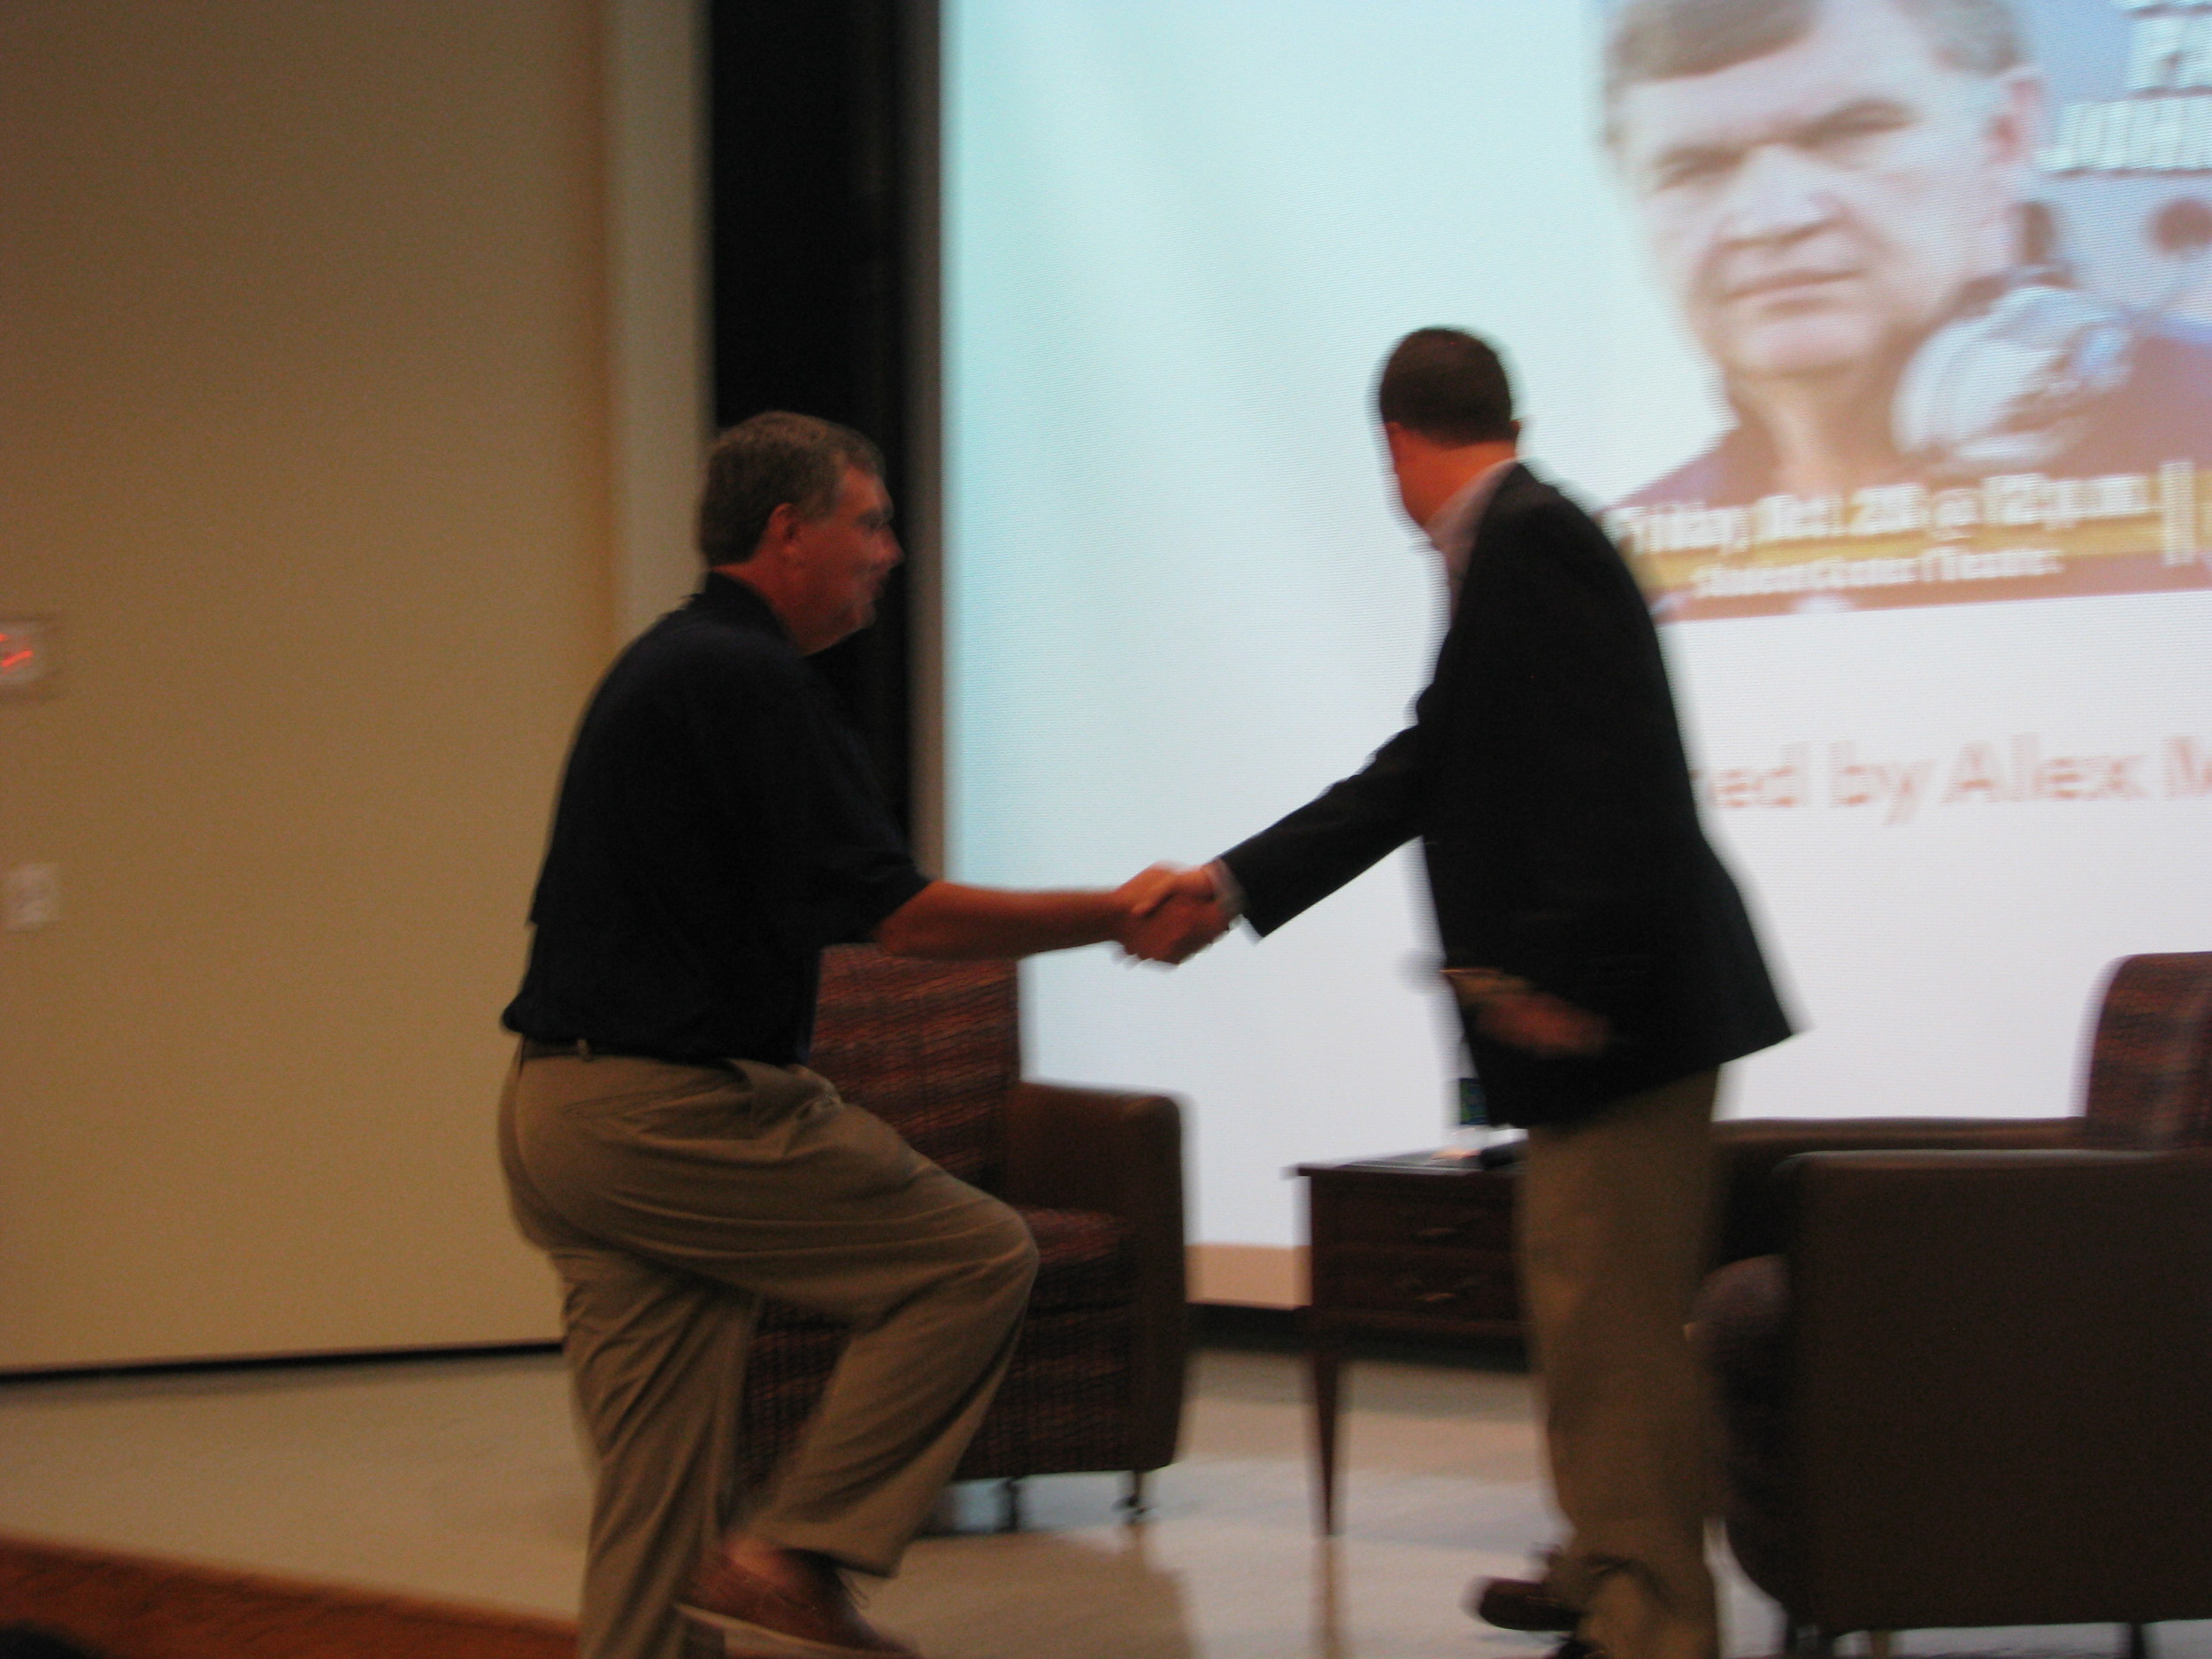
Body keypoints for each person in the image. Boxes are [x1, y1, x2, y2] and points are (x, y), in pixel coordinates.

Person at [497, 411, 1217, 1659]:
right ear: (787, 532)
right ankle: (799, 1550)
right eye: (870, 523)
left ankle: (721, 1587)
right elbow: (908, 919)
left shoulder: (672, 663)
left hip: (561, 1120)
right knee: (974, 1257)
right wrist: (1116, 911)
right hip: (668, 1116)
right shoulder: (747, 676)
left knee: (659, 1514)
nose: (890, 552)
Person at [1152, 330, 1791, 1659]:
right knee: (1583, 1308)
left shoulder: (1532, 544)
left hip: (1620, 1016)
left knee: (1613, 1326)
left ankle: (1651, 1618)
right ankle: (1603, 1561)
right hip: (1609, 1010)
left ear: (1394, 441)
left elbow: (1615, 781)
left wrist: (1566, 982)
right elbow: (1428, 767)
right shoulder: (1516, 541)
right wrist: (1232, 885)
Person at [1601, 0, 2212, 610]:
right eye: (1694, 169)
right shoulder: (1615, 568)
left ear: (2004, 137)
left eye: (1850, 132)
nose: (1772, 218)